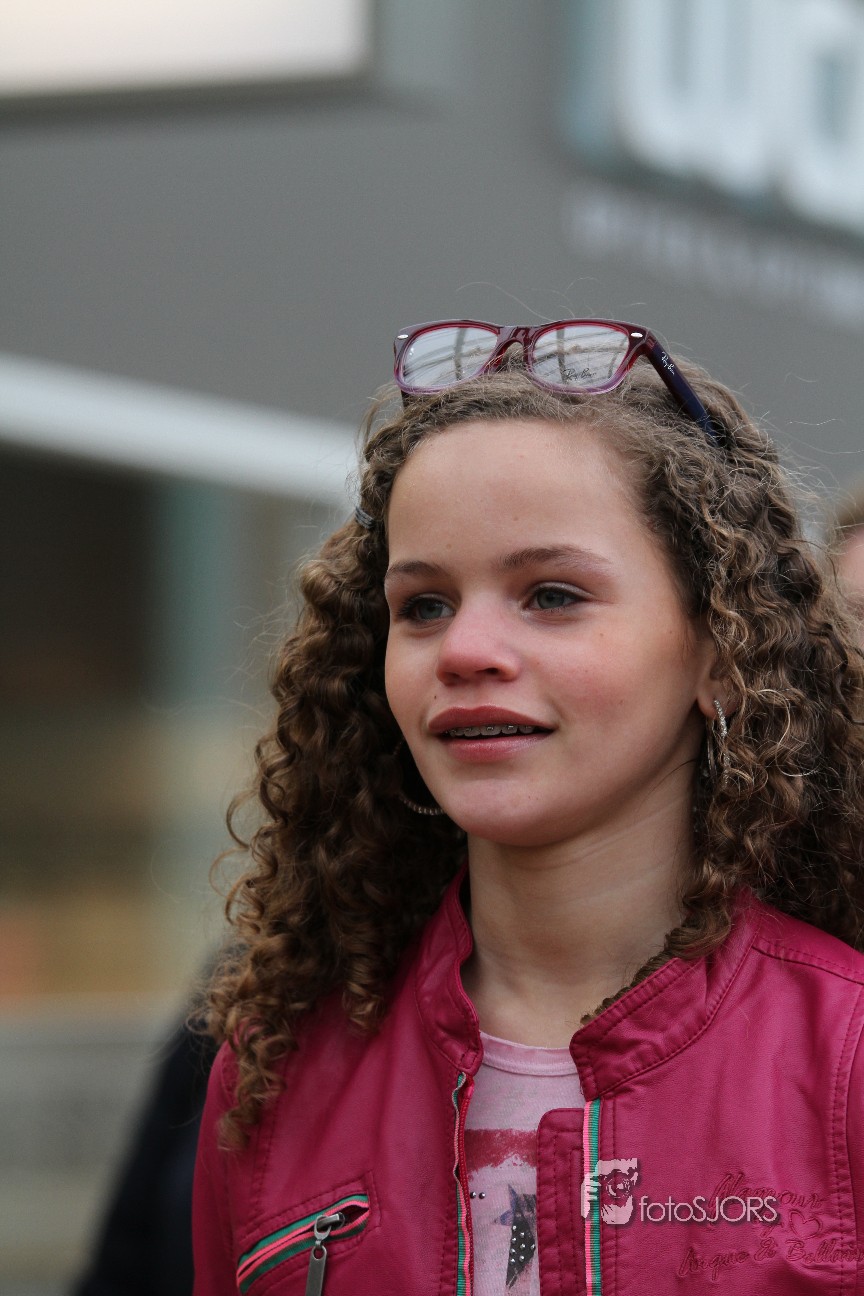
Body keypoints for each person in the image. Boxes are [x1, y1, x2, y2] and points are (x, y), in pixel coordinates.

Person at [193, 319, 864, 1295]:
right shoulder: (276, 1068)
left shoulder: (847, 1060)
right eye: (423, 606)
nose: (466, 651)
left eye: (551, 594)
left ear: (721, 653)